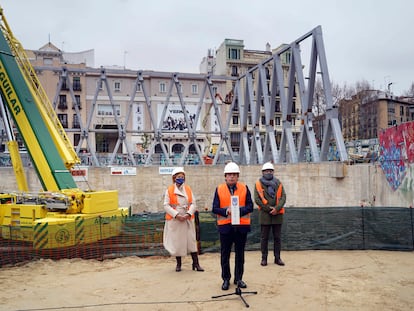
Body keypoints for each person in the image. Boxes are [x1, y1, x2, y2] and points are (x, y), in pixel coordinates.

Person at [212, 162, 254, 290]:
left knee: (240, 255)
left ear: (238, 176)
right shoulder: (219, 189)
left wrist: (238, 211)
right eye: (229, 175)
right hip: (226, 228)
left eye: (234, 175)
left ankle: (238, 278)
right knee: (225, 255)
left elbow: (250, 206)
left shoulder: (244, 188)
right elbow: (215, 208)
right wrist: (226, 211)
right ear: (225, 176)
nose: (231, 177)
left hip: (241, 228)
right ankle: (226, 279)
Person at [163, 167, 204, 272]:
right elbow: (166, 205)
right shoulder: (170, 190)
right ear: (174, 178)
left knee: (191, 242)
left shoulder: (188, 189)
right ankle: (178, 264)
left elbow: (193, 204)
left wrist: (188, 214)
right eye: (178, 177)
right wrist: (176, 215)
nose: (180, 179)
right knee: (178, 243)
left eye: (182, 177)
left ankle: (196, 263)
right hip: (176, 220)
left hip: (187, 219)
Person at [254, 162, 287, 267]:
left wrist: (277, 209)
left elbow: (283, 197)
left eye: (270, 171)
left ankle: (277, 258)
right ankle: (264, 259)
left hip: (277, 215)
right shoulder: (258, 184)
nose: (268, 172)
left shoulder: (278, 183)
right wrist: (269, 209)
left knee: (277, 238)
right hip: (265, 216)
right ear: (263, 172)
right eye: (266, 171)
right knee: (264, 238)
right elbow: (257, 199)